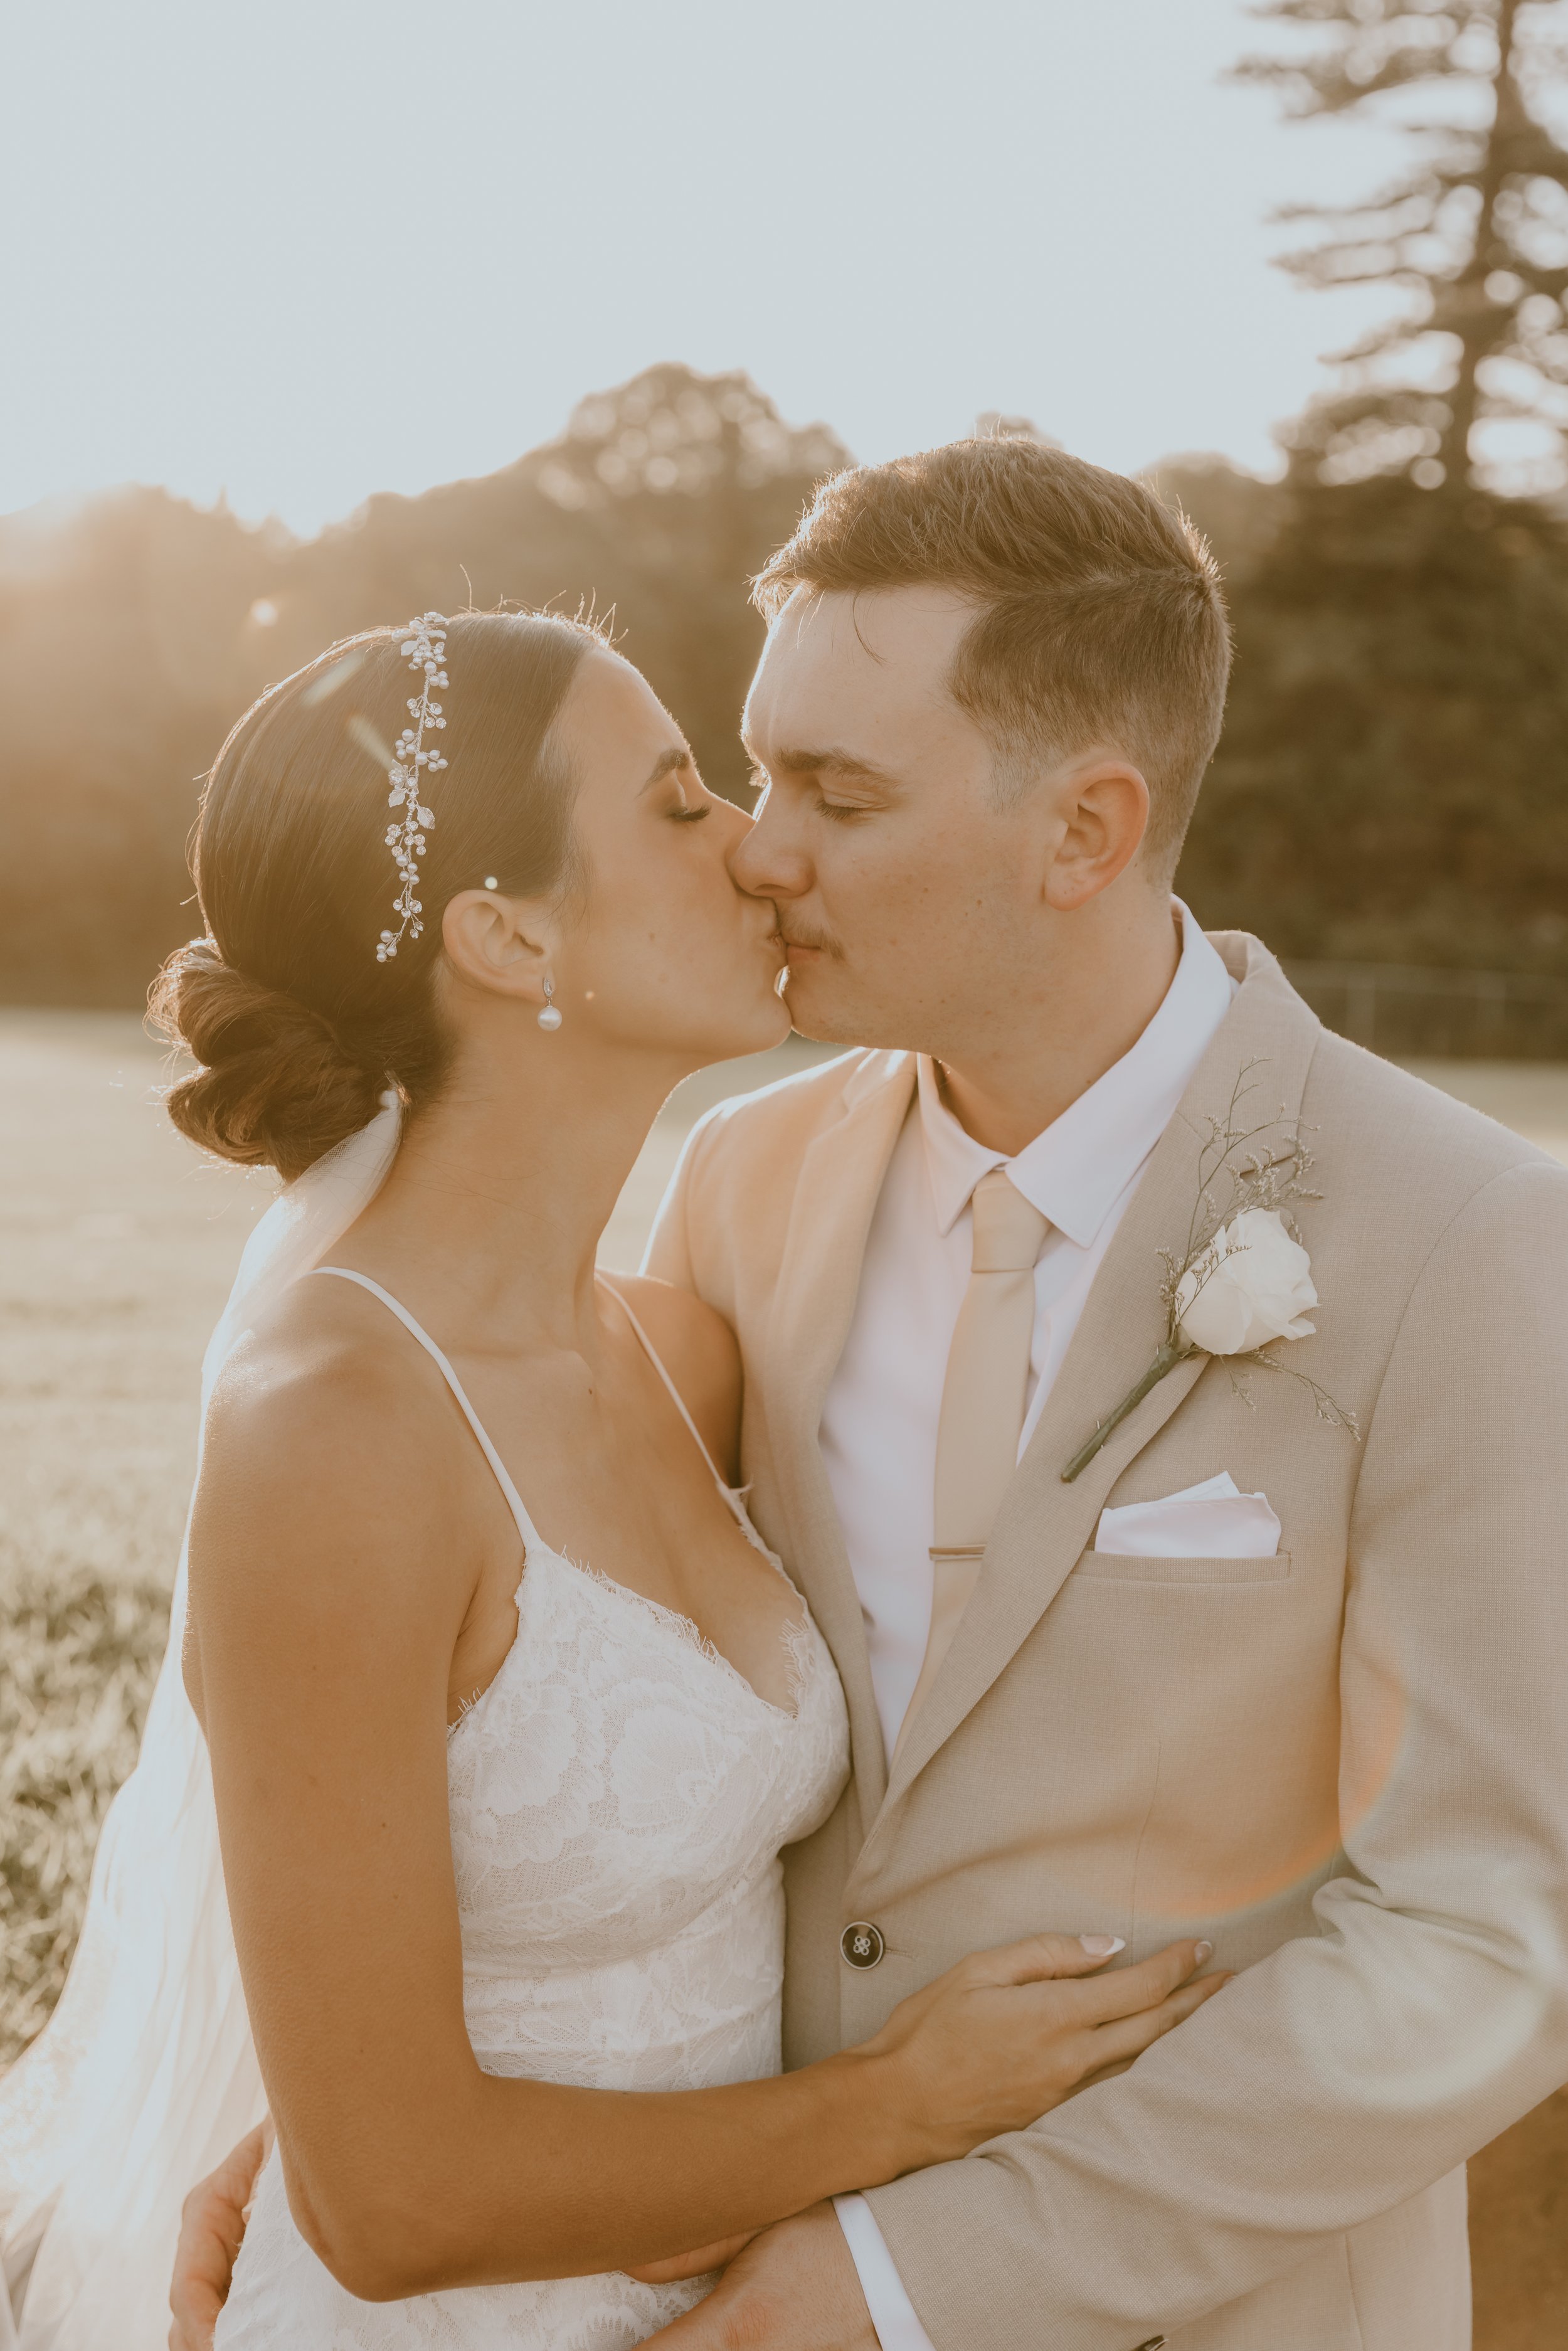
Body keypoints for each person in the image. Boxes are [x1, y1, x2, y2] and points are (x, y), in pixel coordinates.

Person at [163, 437, 1568, 2346]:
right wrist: (366, 2116)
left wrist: (914, 2277)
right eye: (741, 775)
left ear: (1080, 830)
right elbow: (499, 1681)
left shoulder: (1465, 1239)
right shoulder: (748, 1188)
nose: (758, 844)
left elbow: (1489, 1936)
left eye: (831, 791)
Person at [0, 603, 1222, 2351]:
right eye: (674, 802)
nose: (757, 844)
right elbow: (393, 2197)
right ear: (504, 932)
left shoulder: (679, 1345)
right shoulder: (333, 1427)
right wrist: (903, 2102)